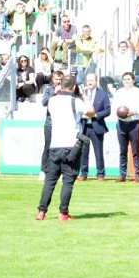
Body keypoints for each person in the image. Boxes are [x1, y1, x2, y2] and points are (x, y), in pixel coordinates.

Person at [36, 75, 95, 221]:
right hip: (71, 145)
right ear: (74, 86)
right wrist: (84, 95)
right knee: (68, 181)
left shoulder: (52, 101)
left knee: (50, 180)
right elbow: (91, 112)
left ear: (60, 86)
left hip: (55, 145)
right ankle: (63, 213)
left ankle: (41, 212)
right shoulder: (76, 101)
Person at [112, 72, 139, 182]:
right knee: (122, 151)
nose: (126, 81)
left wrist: (135, 111)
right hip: (121, 124)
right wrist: (118, 112)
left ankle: (137, 175)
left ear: (133, 80)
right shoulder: (118, 93)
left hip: (134, 124)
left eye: (129, 79)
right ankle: (122, 175)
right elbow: (114, 107)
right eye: (124, 79)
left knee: (135, 150)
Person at [78, 74, 111, 181]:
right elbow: (76, 108)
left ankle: (100, 174)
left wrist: (95, 115)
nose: (89, 82)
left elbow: (107, 111)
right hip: (84, 127)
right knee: (83, 152)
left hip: (97, 126)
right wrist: (81, 115)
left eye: (91, 80)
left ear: (96, 81)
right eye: (88, 80)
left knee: (98, 152)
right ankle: (83, 174)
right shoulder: (81, 95)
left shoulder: (103, 95)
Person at [39, 70, 64, 181]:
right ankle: (44, 171)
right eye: (56, 79)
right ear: (53, 80)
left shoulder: (67, 91)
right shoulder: (49, 90)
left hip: (63, 122)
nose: (58, 81)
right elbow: (44, 102)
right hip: (50, 122)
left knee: (62, 148)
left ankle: (61, 171)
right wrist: (54, 93)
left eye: (60, 79)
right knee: (48, 147)